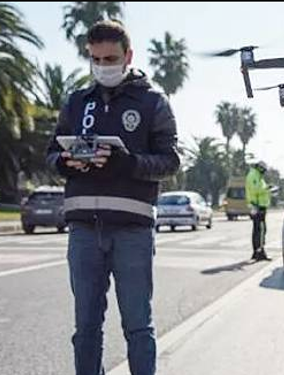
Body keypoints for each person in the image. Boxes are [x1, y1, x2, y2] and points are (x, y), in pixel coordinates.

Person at [45, 20, 180, 375]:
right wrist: (66, 162)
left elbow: (171, 162)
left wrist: (128, 163)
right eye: (97, 59)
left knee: (138, 326)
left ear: (128, 56)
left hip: (132, 231)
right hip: (83, 231)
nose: (104, 66)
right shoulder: (76, 103)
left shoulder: (153, 103)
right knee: (85, 329)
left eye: (111, 58)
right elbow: (50, 155)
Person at [245, 160, 271, 261]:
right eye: (263, 169)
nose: (264, 172)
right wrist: (267, 189)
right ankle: (259, 252)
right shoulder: (253, 176)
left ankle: (257, 251)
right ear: (260, 168)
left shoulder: (258, 176)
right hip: (257, 206)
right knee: (260, 229)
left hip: (259, 205)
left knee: (259, 229)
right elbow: (256, 190)